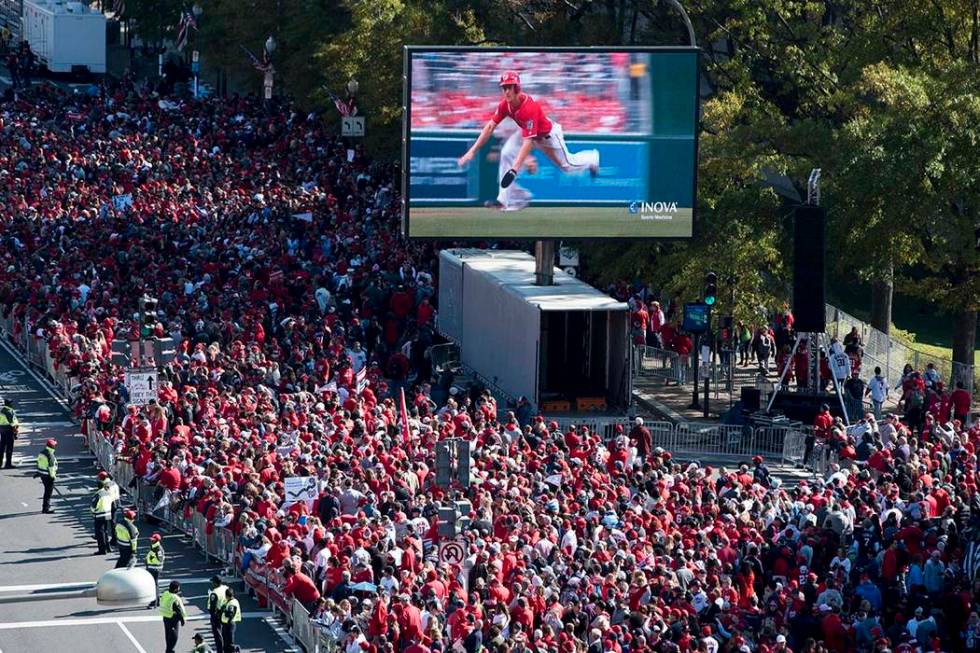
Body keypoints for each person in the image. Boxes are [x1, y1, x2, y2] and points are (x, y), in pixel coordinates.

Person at [456, 70, 599, 212]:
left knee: (567, 166)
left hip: (548, 136)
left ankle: (592, 158)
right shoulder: (505, 105)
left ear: (517, 87)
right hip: (528, 132)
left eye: (509, 87)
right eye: (504, 87)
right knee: (506, 153)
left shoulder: (529, 108)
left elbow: (528, 142)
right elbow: (489, 127)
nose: (506, 91)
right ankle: (503, 201)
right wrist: (472, 151)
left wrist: (514, 169)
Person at [159, 580, 186, 653]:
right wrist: (182, 619)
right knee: (174, 636)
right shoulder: (175, 598)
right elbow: (177, 609)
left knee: (168, 635)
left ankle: (168, 649)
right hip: (173, 618)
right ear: (176, 589)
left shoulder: (165, 593)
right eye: (178, 588)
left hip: (165, 617)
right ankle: (170, 650)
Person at [91, 477, 114, 555]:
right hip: (107, 513)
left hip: (100, 514)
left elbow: (93, 506)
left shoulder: (98, 494)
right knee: (106, 532)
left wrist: (93, 512)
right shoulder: (107, 492)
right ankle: (108, 547)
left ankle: (102, 550)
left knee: (100, 533)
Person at [34, 438, 58, 514]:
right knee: (48, 492)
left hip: (42, 475)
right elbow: (51, 467)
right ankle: (45, 508)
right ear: (52, 447)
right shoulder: (50, 455)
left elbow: (39, 463)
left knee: (46, 491)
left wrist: (38, 473)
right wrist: (53, 476)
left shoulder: (41, 453)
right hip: (48, 476)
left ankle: (46, 506)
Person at [207, 575, 229, 652]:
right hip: (226, 613)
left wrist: (212, 617)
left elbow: (212, 606)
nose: (212, 583)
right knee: (225, 633)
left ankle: (220, 650)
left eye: (213, 582)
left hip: (217, 615)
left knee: (217, 633)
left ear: (216, 583)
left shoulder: (214, 593)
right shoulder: (226, 588)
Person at [145, 532, 165, 608]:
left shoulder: (158, 549)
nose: (151, 541)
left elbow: (160, 559)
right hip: (152, 568)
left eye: (153, 540)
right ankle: (157, 601)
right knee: (154, 585)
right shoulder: (153, 547)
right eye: (151, 539)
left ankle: (154, 602)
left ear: (157, 541)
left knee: (154, 585)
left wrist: (152, 559)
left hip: (155, 569)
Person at [221, 586, 242, 652]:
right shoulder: (232, 601)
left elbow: (230, 614)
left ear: (227, 595)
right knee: (226, 643)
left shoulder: (232, 603)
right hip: (228, 624)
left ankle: (235, 649)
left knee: (229, 643)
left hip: (229, 624)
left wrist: (224, 610)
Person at [0, 398, 19, 468]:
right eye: (11, 403)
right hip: (8, 430)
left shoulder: (2, 410)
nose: (12, 404)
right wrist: (15, 432)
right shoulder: (9, 411)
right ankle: (8, 464)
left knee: (1, 447)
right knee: (9, 448)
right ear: (9, 404)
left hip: (2, 430)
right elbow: (12, 423)